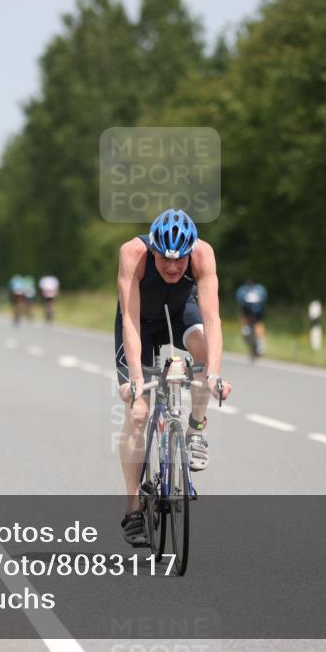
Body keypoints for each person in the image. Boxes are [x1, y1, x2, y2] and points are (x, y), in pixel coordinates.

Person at [114, 209, 232, 546]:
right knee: (137, 413)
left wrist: (214, 374)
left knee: (206, 354)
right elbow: (130, 321)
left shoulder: (203, 255)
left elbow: (213, 321)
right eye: (165, 259)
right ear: (152, 249)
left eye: (179, 260)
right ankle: (134, 506)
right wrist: (135, 379)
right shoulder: (132, 253)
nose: (172, 266)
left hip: (182, 313)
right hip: (139, 323)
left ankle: (195, 431)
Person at [236, 279, 268, 355]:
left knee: (243, 315)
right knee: (259, 323)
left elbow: (240, 302)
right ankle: (260, 345)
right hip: (258, 310)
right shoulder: (260, 289)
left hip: (247, 309)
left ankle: (245, 328)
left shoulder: (242, 290)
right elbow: (264, 299)